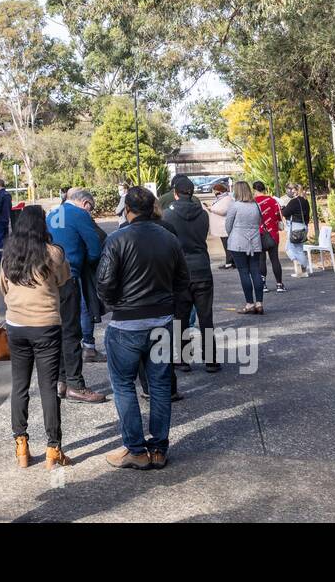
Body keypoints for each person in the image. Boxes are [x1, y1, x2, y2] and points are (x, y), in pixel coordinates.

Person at [95, 186, 189, 470]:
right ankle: (159, 449)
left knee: (124, 385)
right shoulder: (169, 238)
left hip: (126, 323)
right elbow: (183, 282)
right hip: (161, 320)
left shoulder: (117, 239)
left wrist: (117, 304)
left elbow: (104, 283)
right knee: (160, 385)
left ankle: (135, 449)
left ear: (128, 210)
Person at [0, 206, 71, 469]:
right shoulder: (54, 253)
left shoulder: (9, 254)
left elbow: (4, 286)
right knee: (48, 388)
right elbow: (64, 280)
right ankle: (53, 449)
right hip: (46, 326)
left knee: (19, 386)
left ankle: (21, 447)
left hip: (16, 326)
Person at [46, 189, 108, 403]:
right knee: (72, 331)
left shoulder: (53, 213)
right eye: (91, 206)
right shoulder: (80, 215)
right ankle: (76, 385)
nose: (91, 211)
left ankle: (61, 381)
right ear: (84, 203)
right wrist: (88, 265)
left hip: (49, 277)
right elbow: (94, 247)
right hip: (70, 274)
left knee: (59, 329)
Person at [163, 175, 220, 374]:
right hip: (202, 267)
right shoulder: (203, 214)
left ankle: (183, 359)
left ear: (175, 194)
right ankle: (211, 359)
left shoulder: (167, 216)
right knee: (206, 316)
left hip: (180, 271)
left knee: (181, 316)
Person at [225, 180, 266, 314]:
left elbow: (228, 225)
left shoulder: (235, 206)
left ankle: (249, 303)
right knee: (255, 271)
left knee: (243, 272)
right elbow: (260, 221)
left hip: (238, 242)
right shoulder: (256, 206)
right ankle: (259, 302)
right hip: (254, 242)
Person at [253, 181, 286, 292]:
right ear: (264, 189)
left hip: (260, 234)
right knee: (275, 259)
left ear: (254, 190)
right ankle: (279, 284)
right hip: (273, 234)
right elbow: (278, 216)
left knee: (261, 260)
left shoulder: (253, 202)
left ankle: (263, 285)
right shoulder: (273, 201)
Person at [283, 184, 312, 277]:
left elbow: (285, 213)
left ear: (294, 191)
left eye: (290, 190)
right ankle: (303, 271)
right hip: (304, 226)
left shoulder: (294, 201)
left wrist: (283, 207)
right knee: (299, 249)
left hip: (295, 227)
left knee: (289, 248)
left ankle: (298, 264)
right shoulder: (305, 200)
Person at [206, 180, 234, 269]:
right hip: (221, 226)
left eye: (215, 191)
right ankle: (230, 261)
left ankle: (229, 262)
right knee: (226, 245)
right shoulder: (221, 198)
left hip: (224, 227)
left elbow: (223, 210)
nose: (214, 193)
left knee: (227, 245)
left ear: (219, 191)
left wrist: (211, 209)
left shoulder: (227, 199)